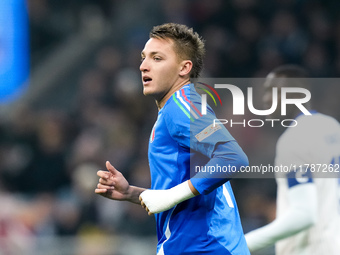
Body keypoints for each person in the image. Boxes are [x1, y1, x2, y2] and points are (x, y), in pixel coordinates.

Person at [95, 23, 250, 254]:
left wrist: (169, 196)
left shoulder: (181, 107)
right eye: (143, 57)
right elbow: (186, 194)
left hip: (201, 248)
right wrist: (132, 193)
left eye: (157, 58)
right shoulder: (178, 109)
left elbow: (234, 158)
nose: (143, 66)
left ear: (184, 68)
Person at [245, 65, 340, 254]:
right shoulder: (332, 127)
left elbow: (304, 214)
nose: (265, 100)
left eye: (273, 92)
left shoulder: (295, 138)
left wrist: (242, 243)